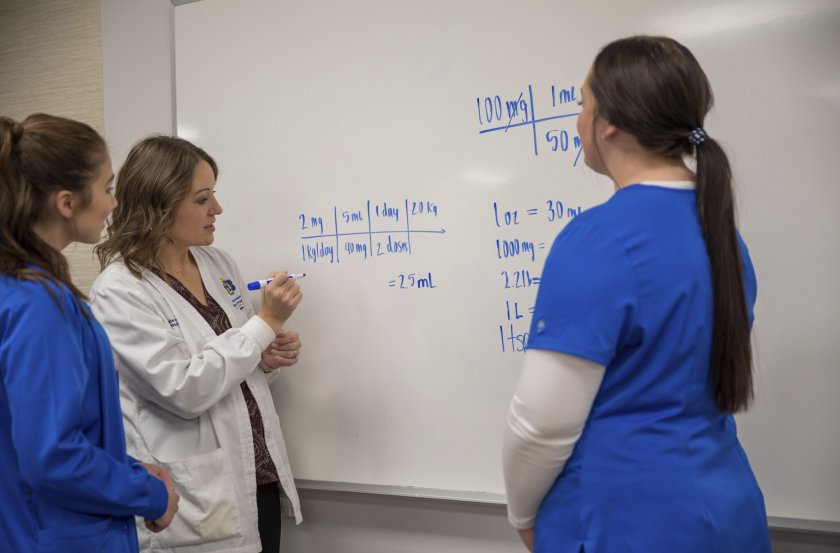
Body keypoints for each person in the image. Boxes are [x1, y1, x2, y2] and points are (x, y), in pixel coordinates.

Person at [502, 36, 771, 553]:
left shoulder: (598, 239)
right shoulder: (724, 237)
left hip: (622, 521)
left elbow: (541, 422)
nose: (577, 120)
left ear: (609, 123)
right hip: (728, 512)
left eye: (582, 104)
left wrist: (522, 514)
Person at [89, 135, 304, 553]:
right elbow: (184, 390)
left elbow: (231, 363)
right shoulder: (120, 291)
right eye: (202, 199)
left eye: (214, 195)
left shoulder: (218, 264)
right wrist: (265, 323)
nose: (217, 210)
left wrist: (265, 358)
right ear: (160, 205)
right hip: (194, 497)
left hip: (257, 476)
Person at [0, 114, 179, 553]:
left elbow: (31, 433)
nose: (114, 204)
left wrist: (130, 469)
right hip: (54, 536)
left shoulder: (18, 290)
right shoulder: (37, 304)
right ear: (66, 202)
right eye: (107, 188)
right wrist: (149, 494)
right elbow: (52, 458)